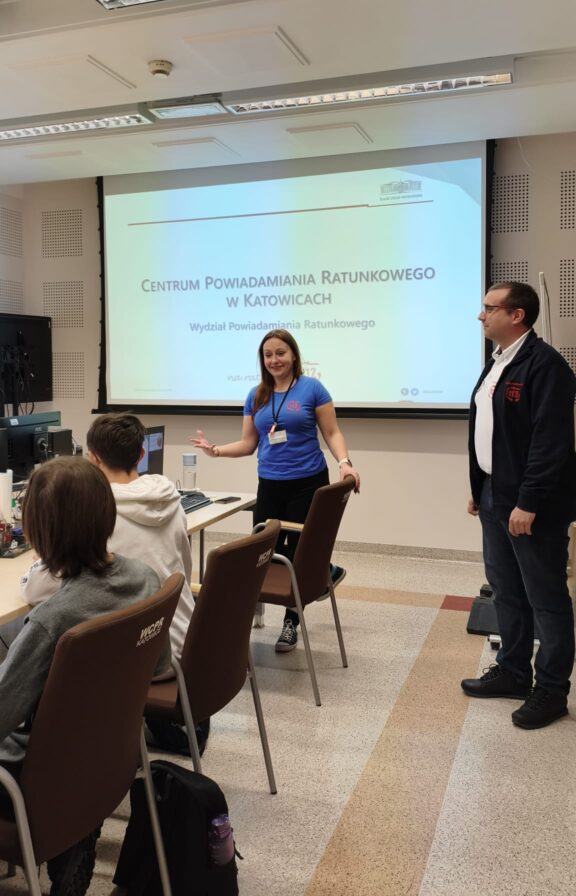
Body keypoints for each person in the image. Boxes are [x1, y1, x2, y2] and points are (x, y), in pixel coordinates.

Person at [0, 457, 169, 896]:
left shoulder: (53, 621)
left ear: (40, 533)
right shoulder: (146, 579)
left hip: (32, 772)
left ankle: (60, 835)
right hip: (105, 753)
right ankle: (75, 833)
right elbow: (160, 666)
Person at [20, 413, 206, 757]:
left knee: (40, 636)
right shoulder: (172, 502)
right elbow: (184, 570)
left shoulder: (94, 516)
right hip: (181, 640)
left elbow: (39, 590)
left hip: (142, 654)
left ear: (93, 459)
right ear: (141, 454)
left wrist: (41, 555)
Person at [192, 329, 360, 653]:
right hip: (269, 483)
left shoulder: (312, 388)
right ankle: (323, 571)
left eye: (280, 353)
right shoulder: (256, 396)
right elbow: (248, 443)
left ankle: (291, 622)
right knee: (263, 550)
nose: (274, 360)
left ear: (293, 355)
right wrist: (216, 451)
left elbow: (332, 432)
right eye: (268, 355)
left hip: (307, 482)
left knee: (297, 553)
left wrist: (345, 462)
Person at [461, 281, 576, 729]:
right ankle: (513, 671)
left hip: (532, 504)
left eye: (489, 308)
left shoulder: (546, 365)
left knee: (545, 597)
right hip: (495, 493)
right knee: (505, 589)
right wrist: (480, 486)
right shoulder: (497, 362)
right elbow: (492, 431)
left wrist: (528, 501)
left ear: (516, 315)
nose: (481, 315)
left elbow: (550, 443)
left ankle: (552, 690)